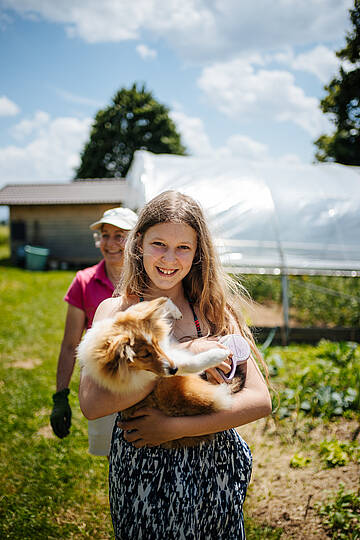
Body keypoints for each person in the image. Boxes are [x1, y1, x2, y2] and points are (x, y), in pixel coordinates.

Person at [79, 191, 272, 539]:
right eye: (158, 244)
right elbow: (91, 405)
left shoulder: (212, 314)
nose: (170, 258)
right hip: (144, 469)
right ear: (137, 243)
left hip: (214, 463)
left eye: (184, 247)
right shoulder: (116, 312)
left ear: (198, 253)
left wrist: (173, 428)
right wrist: (177, 358)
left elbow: (260, 400)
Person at [50, 206, 138, 457]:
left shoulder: (150, 282)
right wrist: (60, 395)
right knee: (112, 453)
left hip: (142, 382)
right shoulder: (84, 281)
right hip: (102, 384)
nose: (110, 243)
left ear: (135, 240)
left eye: (119, 235)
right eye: (105, 235)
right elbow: (70, 345)